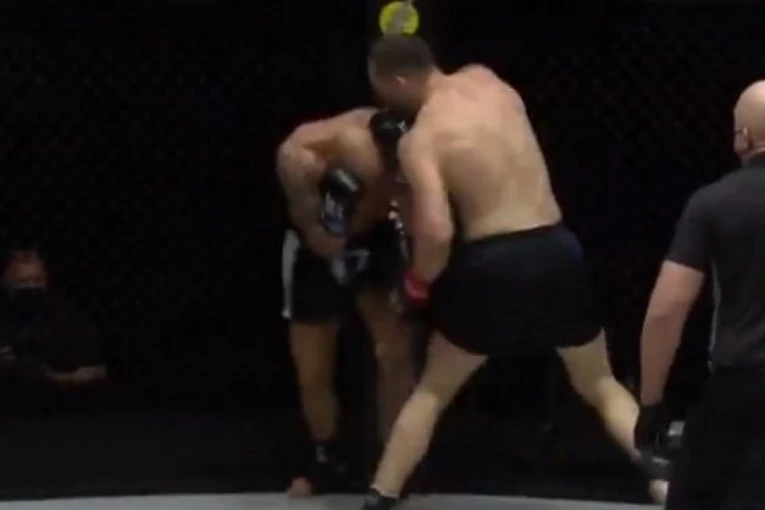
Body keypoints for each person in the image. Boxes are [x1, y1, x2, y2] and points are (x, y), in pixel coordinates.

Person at [360, 34, 668, 509]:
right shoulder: (490, 81)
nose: (383, 102)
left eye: (382, 89)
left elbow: (437, 233)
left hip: (494, 259)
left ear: (399, 79)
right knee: (601, 384)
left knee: (433, 390)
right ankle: (666, 482)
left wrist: (416, 285)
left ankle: (381, 496)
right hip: (555, 248)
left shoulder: (421, 139)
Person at [636, 81, 765, 510]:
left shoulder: (714, 203)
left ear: (743, 138)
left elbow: (667, 310)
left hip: (741, 387)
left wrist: (652, 402)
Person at [277, 108, 415, 495]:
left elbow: (416, 212)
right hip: (316, 249)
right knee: (312, 367)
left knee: (396, 351)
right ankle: (327, 460)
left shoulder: (407, 148)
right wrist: (331, 219)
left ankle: (395, 462)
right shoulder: (300, 157)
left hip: (377, 239)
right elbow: (317, 235)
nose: (390, 178)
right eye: (382, 173)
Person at [0, 248, 108, 411]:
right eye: (23, 282)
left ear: (46, 282)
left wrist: (59, 379)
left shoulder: (68, 321)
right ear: (6, 283)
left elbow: (100, 371)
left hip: (63, 410)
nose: (31, 287)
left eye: (37, 280)